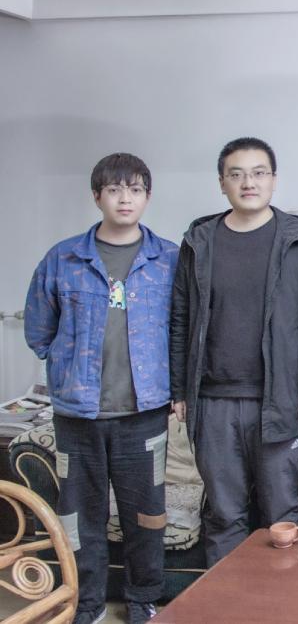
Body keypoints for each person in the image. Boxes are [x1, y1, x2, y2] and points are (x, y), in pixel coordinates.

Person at [25, 153, 178, 624]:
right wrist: (68, 369)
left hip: (144, 415)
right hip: (78, 416)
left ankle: (142, 599)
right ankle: (86, 603)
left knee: (146, 515)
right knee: (79, 517)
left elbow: (183, 327)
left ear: (147, 197)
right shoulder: (63, 258)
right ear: (97, 196)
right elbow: (39, 330)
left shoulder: (169, 259)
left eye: (135, 189)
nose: (124, 198)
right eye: (114, 189)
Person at [169, 137, 298, 566]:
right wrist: (179, 389)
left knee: (282, 517)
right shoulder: (199, 241)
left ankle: (283, 599)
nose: (247, 182)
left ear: (273, 180)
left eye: (258, 173)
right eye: (236, 174)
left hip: (278, 398)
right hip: (212, 400)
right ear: (222, 183)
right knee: (224, 515)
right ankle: (226, 600)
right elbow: (180, 317)